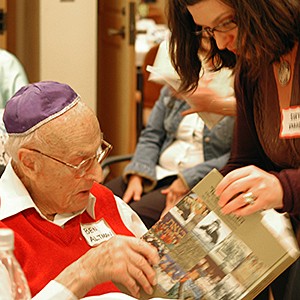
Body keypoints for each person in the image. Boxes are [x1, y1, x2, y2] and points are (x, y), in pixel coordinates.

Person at [167, 0, 300, 299]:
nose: (220, 42)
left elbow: (279, 184)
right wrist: (198, 216)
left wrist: (283, 187)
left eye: (226, 23)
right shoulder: (253, 69)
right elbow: (244, 160)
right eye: (207, 30)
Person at [0, 81, 159, 299]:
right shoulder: (5, 235)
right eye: (81, 163)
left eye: (97, 154)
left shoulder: (103, 201)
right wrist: (86, 271)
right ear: (29, 163)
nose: (98, 176)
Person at [106, 80, 235, 229]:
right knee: (102, 199)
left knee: (136, 216)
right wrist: (139, 173)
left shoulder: (237, 99)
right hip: (155, 170)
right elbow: (152, 135)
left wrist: (187, 180)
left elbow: (234, 157)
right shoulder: (175, 89)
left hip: (197, 178)